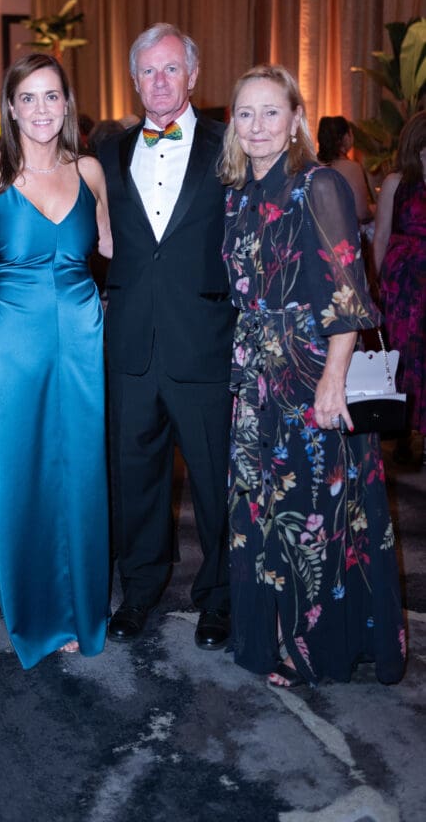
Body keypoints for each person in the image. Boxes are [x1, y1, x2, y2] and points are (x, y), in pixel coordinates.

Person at [219, 63, 406, 688]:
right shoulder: (240, 192)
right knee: (257, 510)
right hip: (254, 381)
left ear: (296, 119)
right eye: (245, 113)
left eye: (271, 112)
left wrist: (333, 378)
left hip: (307, 376)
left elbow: (350, 293)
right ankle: (266, 632)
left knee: (311, 515)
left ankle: (311, 649)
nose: (257, 126)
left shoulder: (318, 184)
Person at [0, 52, 111, 669]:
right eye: (28, 97)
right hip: (14, 343)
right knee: (21, 473)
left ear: (67, 104)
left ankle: (83, 611)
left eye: (52, 96)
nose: (41, 109)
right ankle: (35, 617)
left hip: (83, 337)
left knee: (82, 472)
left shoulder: (92, 170)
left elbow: (113, 249)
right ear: (9, 106)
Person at [98, 22, 236, 648]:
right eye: (148, 71)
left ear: (193, 75)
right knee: (137, 480)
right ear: (134, 80)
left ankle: (219, 599)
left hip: (204, 341)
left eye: (171, 69)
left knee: (215, 483)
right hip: (129, 345)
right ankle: (141, 590)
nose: (159, 81)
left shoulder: (227, 145)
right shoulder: (106, 154)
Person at [372, 111, 426, 468]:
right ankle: (403, 431)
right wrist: (376, 288)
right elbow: (381, 236)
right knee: (403, 360)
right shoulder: (396, 182)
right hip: (403, 289)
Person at [317, 115, 374, 225]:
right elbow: (361, 214)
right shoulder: (352, 168)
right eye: (351, 133)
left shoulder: (309, 165)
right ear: (346, 137)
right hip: (342, 235)